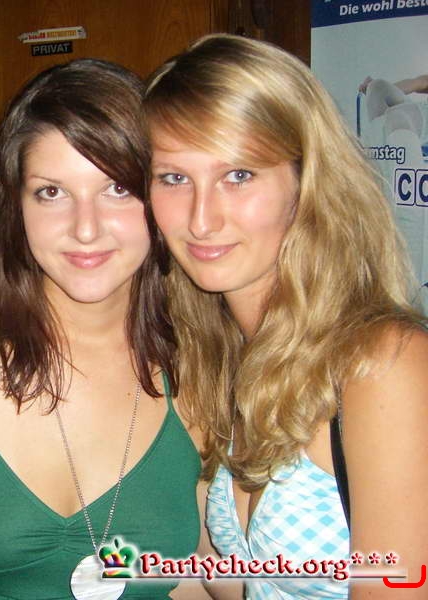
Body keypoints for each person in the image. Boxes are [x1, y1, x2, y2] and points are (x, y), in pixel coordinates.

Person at [0, 58, 205, 600]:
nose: (85, 228)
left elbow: (192, 581)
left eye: (117, 189)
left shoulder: (203, 375)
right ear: (15, 206)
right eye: (52, 193)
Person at [145, 34, 428, 599]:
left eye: (239, 175)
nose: (201, 219)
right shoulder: (214, 360)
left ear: (306, 181)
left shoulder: (383, 364)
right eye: (174, 178)